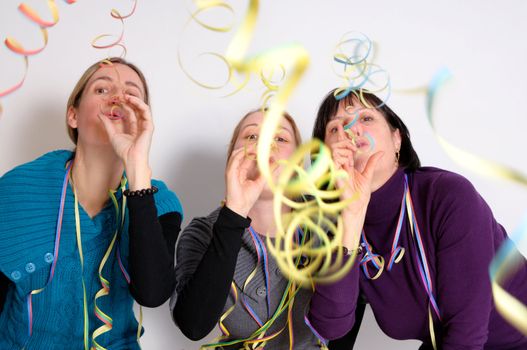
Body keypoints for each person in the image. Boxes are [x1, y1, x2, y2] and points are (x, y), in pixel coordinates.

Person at [307, 89, 527, 349]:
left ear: (396, 138)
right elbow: (330, 327)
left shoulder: (447, 195)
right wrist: (352, 215)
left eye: (366, 118)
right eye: (336, 128)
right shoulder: (334, 225)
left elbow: (466, 336)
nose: (352, 129)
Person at [0, 57, 183, 349]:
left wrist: (137, 173)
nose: (118, 99)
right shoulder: (17, 190)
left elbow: (153, 294)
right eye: (102, 89)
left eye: (132, 94)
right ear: (73, 115)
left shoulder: (159, 202)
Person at [170, 109, 346, 349]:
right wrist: (235, 211)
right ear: (232, 156)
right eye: (252, 136)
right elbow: (193, 325)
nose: (265, 146)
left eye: (280, 139)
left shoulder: (328, 222)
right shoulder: (202, 233)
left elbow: (344, 317)